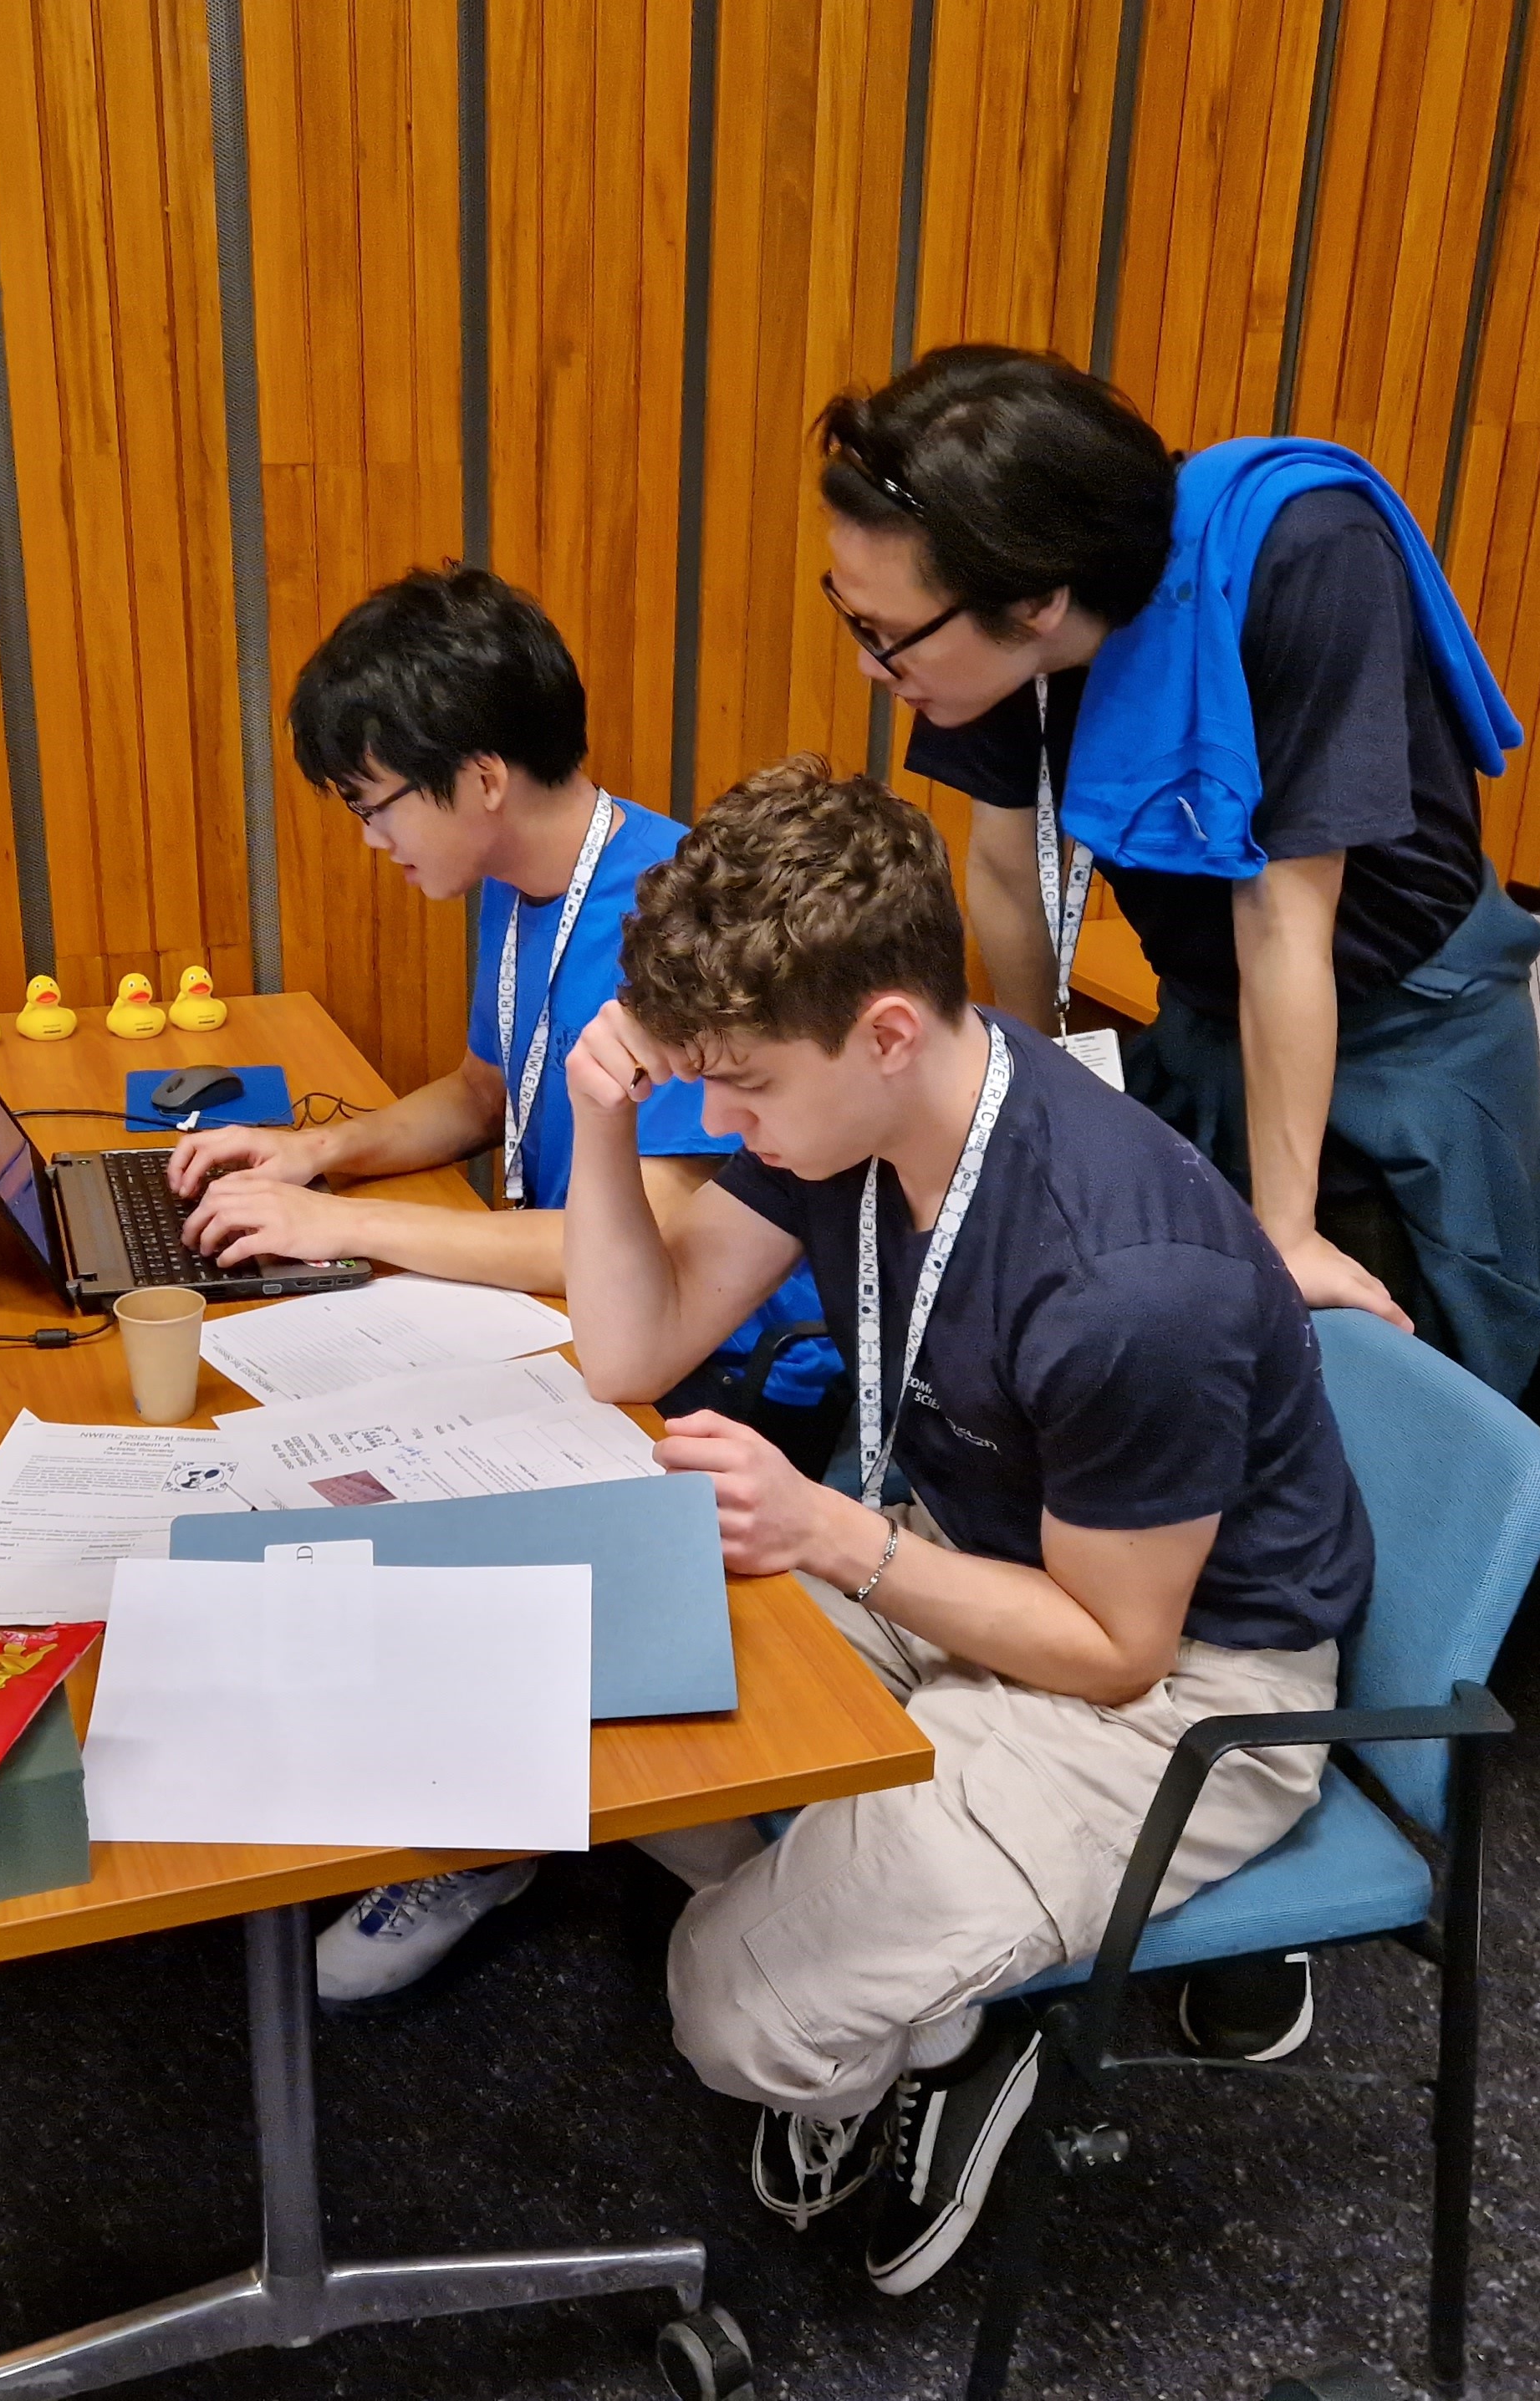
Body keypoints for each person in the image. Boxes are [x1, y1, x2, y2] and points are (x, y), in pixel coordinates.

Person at [558, 757, 1372, 2296]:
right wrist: (606, 1124)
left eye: (743, 1084)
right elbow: (629, 1353)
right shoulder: (856, 1117)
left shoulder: (1121, 1280)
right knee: (601, 1698)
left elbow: (1120, 1652)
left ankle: (967, 2027)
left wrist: (828, 1538)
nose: (719, 1116)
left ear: (884, 1032)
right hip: (974, 1553)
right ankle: (926, 1976)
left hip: (1194, 1686)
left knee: (727, 2011)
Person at [166, 564, 838, 2005]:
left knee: (369, 1457)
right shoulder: (522, 885)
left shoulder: (665, 912)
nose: (367, 838)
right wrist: (322, 1155)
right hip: (572, 1304)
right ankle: (476, 1776)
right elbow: (487, 1088)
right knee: (288, 1422)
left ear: (478, 780)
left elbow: (661, 1225)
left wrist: (357, 1231)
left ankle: (495, 1821)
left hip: (713, 1363)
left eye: (372, 802)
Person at [815, 344, 1540, 1403]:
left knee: (1353, 1383)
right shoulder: (993, 638)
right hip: (1212, 1015)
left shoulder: (1298, 553)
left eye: (885, 635)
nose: (868, 663)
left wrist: (1288, 1231)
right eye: (850, 616)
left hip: (1395, 1024)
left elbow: (1284, 923)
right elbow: (1003, 865)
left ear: (1036, 601)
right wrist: (1026, 1108)